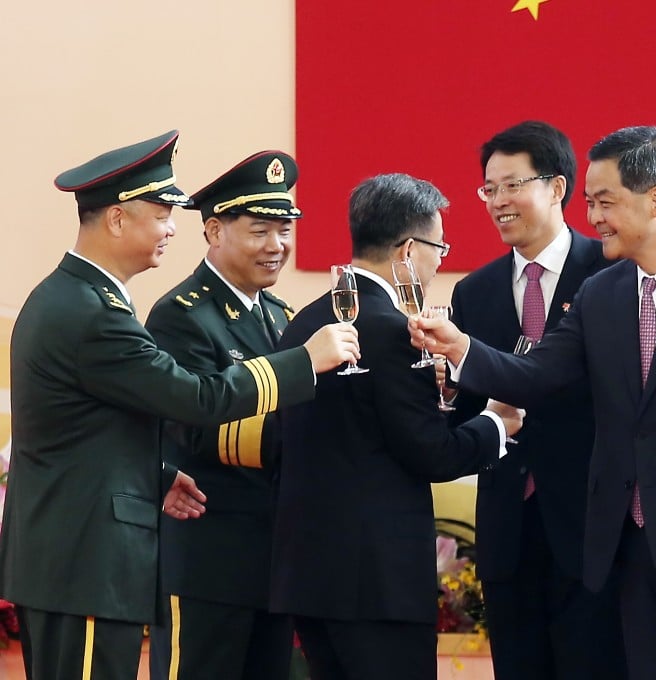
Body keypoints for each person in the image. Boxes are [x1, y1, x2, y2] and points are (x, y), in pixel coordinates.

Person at [412, 125, 656, 679]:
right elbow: (539, 374)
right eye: (591, 202)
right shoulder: (603, 292)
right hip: (627, 555)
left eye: (605, 201)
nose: (593, 217)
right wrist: (461, 348)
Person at [0, 130, 359, 680]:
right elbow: (195, 396)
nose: (172, 228)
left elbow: (91, 429)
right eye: (162, 214)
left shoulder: (80, 299)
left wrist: (158, 474)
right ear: (117, 218)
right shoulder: (93, 313)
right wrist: (304, 362)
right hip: (87, 560)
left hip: (80, 557)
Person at [269, 173, 524, 680]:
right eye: (439, 248)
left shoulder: (303, 322)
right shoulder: (395, 331)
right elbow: (431, 453)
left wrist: (439, 397)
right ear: (408, 250)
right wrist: (498, 423)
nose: (440, 261)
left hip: (310, 575)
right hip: (377, 582)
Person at [448, 120, 625, 679]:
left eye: (511, 185)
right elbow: (468, 409)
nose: (498, 201)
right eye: (489, 189)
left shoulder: (613, 273)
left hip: (592, 528)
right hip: (508, 531)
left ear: (557, 187)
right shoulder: (473, 292)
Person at [145, 150, 305, 680]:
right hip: (208, 562)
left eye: (284, 230)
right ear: (214, 231)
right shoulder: (182, 316)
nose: (276, 245)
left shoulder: (281, 316)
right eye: (261, 231)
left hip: (274, 561)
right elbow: (195, 426)